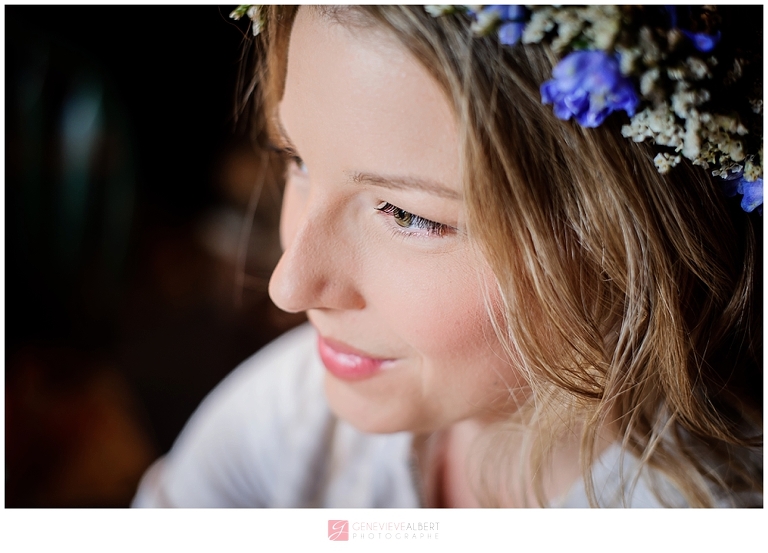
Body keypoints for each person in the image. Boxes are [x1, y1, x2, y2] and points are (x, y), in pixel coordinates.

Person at [132, 5, 762, 508]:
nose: (288, 285)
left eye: (408, 215)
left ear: (627, 242)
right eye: (298, 160)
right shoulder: (299, 412)